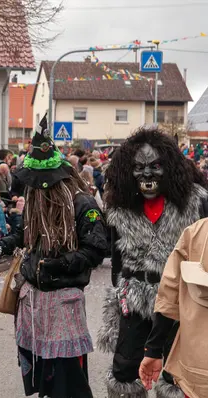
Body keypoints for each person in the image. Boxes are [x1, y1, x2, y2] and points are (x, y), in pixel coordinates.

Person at [0, 115, 108, 398]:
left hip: (63, 300)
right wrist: (4, 243)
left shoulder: (82, 203)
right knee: (42, 370)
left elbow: (95, 248)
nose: (38, 188)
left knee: (69, 376)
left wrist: (61, 263)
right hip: (34, 301)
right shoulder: (34, 200)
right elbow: (26, 233)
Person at [97, 127, 208, 398]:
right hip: (134, 299)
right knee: (125, 371)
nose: (147, 174)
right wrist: (118, 296)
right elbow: (117, 260)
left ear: (169, 168)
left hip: (179, 302)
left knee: (175, 375)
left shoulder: (195, 202)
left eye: (155, 166)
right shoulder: (119, 207)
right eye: (139, 167)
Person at [139, 218, 208, 398]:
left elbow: (169, 294)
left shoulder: (196, 232)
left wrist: (153, 349)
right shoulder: (194, 233)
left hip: (200, 369)